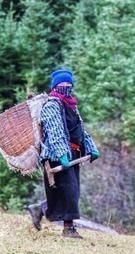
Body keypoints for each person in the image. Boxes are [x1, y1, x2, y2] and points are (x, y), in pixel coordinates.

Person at [27, 69, 98, 238]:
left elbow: (81, 130)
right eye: (62, 84)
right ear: (55, 86)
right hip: (56, 156)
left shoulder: (71, 105)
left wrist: (91, 147)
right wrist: (62, 155)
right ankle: (68, 229)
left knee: (70, 192)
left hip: (73, 154)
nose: (66, 87)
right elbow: (55, 132)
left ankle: (39, 209)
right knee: (69, 192)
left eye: (68, 84)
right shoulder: (52, 105)